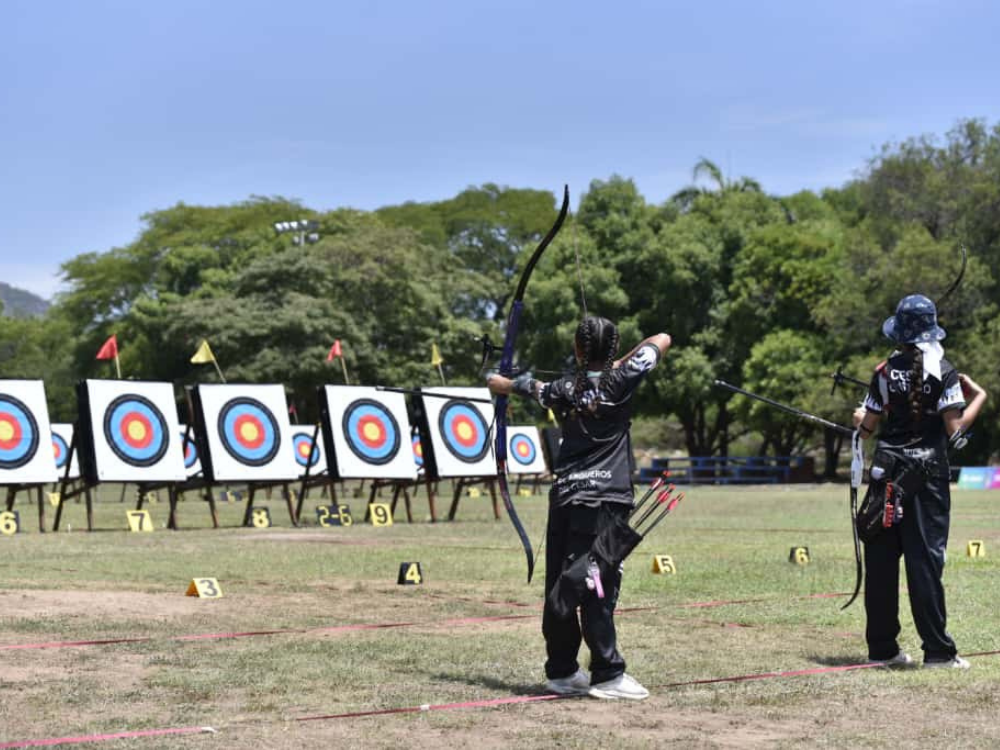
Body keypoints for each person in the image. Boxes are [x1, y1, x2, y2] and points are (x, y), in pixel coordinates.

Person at [487, 316, 671, 700]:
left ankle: (562, 669)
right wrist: (619, 364)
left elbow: (527, 386)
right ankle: (606, 674)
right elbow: (662, 337)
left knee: (564, 582)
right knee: (597, 583)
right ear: (615, 350)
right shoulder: (623, 378)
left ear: (576, 348)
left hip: (567, 497)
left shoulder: (562, 387)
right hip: (606, 499)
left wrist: (501, 384)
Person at [853, 294, 987, 669]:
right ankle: (939, 652)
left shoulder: (882, 372)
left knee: (880, 562)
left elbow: (866, 429)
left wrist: (859, 417)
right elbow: (956, 433)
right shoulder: (943, 370)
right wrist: (979, 396)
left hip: (886, 474)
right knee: (924, 563)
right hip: (927, 481)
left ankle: (883, 650)